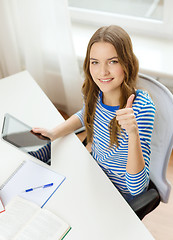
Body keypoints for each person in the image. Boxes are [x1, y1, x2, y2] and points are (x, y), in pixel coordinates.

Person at [33, 25, 156, 203]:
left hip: (118, 193)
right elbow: (87, 113)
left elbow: (137, 188)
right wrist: (54, 133)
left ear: (127, 63)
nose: (102, 72)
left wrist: (133, 133)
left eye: (113, 61)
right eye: (95, 62)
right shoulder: (97, 92)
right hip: (94, 173)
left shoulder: (141, 109)